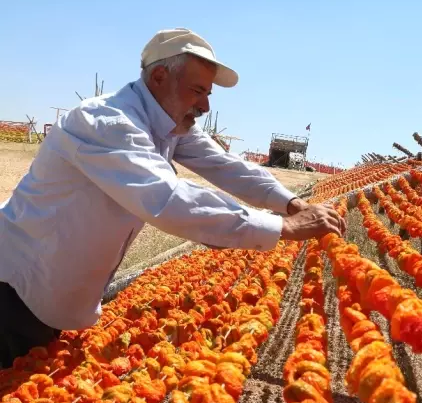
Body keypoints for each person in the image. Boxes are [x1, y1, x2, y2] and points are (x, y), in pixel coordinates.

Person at [0, 28, 345, 369]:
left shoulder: (169, 126)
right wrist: (281, 226)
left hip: (48, 292)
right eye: (198, 90)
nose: (205, 105)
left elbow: (226, 165)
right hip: (15, 290)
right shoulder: (107, 122)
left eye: (208, 94)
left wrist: (291, 203)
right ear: (161, 76)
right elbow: (167, 198)